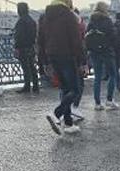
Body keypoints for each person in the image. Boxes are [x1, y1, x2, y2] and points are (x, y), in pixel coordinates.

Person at [38, 0, 83, 133]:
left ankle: (68, 123)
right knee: (75, 89)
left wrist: (44, 62)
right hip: (67, 55)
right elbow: (76, 40)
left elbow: (40, 40)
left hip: (52, 55)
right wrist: (82, 60)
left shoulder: (45, 16)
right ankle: (57, 114)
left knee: (65, 88)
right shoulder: (68, 15)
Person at [85, 1, 118, 110]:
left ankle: (97, 103)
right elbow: (113, 36)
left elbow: (87, 36)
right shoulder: (107, 20)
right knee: (113, 74)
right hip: (106, 51)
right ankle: (109, 100)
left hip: (94, 52)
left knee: (97, 77)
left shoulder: (91, 21)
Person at [13, 2, 38, 93]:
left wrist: (16, 47)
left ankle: (27, 86)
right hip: (31, 46)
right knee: (32, 67)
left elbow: (18, 36)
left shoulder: (21, 21)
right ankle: (35, 86)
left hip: (23, 47)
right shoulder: (32, 20)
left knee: (25, 67)